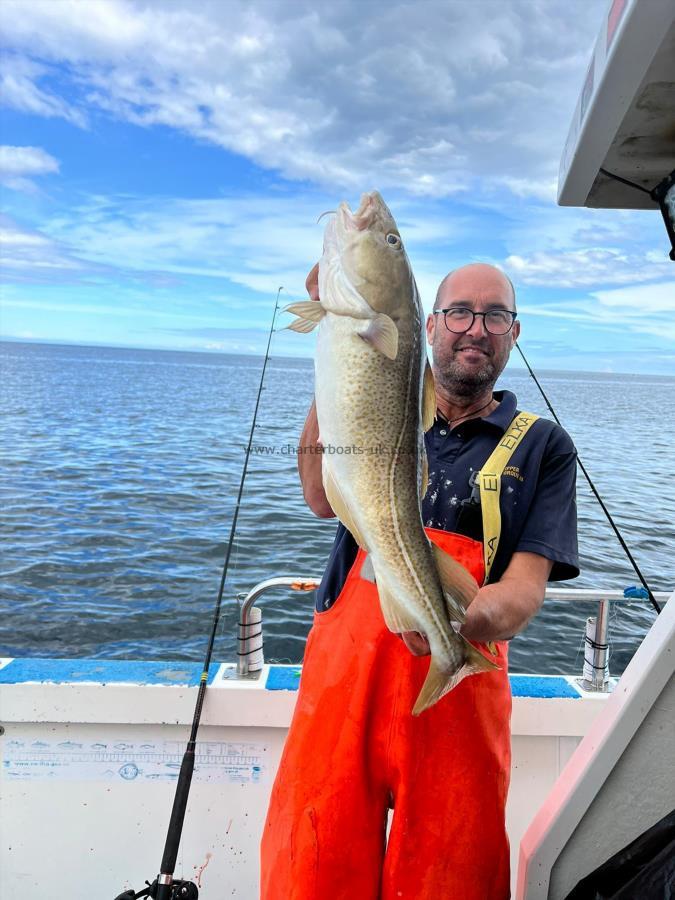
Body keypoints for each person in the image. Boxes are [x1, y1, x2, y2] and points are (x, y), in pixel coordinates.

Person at [260, 262, 579, 900]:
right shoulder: (390, 404)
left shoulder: (543, 446)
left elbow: (524, 588)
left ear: (514, 333)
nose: (475, 329)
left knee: (450, 874)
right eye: (460, 311)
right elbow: (321, 499)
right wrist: (343, 361)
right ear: (430, 324)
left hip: (458, 681)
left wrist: (464, 624)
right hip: (344, 676)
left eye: (495, 316)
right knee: (315, 861)